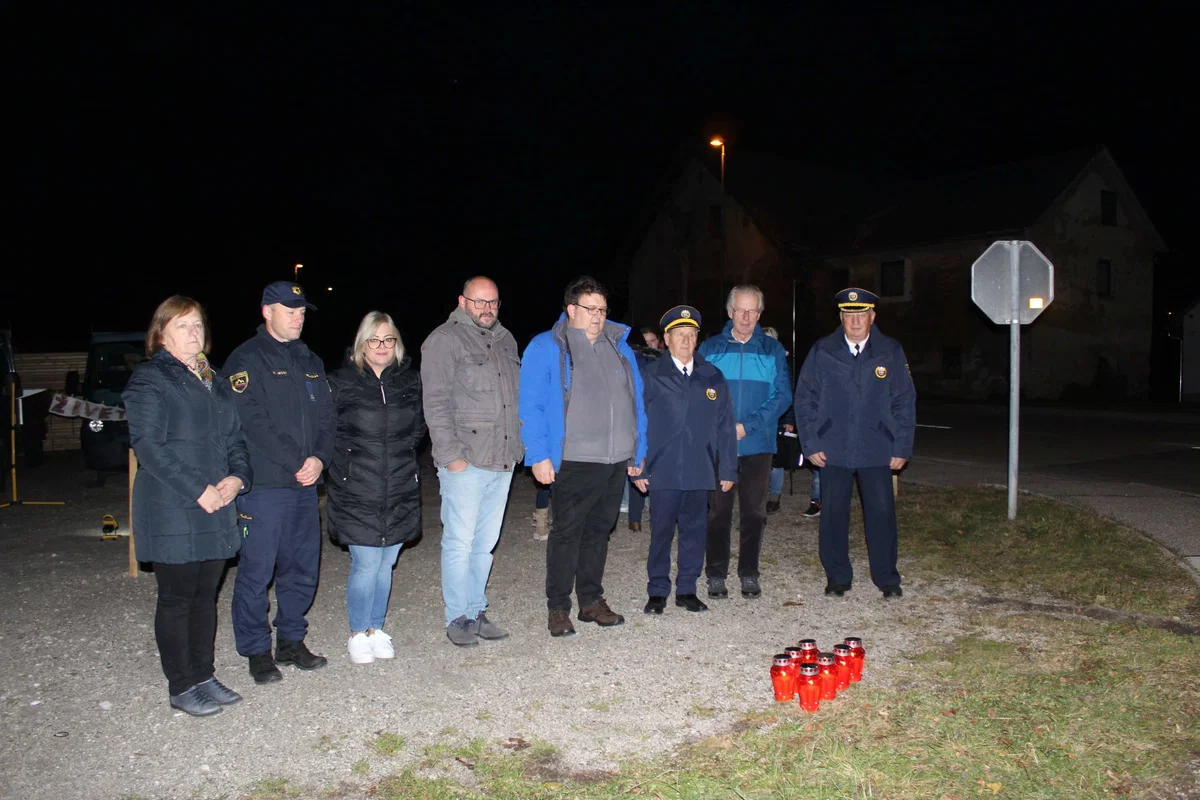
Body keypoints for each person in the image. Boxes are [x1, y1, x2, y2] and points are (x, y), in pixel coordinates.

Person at [124, 296, 251, 716]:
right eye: (181, 325)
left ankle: (203, 675)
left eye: (197, 324)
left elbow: (235, 438)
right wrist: (199, 489)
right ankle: (181, 686)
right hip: (174, 504)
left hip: (217, 503)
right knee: (177, 599)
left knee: (204, 596)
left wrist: (237, 477)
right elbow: (148, 446)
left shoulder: (214, 379)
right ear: (161, 334)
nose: (193, 332)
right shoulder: (151, 379)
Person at [519, 275, 648, 637]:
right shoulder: (547, 346)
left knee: (599, 531)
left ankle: (591, 600)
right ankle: (558, 607)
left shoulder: (619, 347)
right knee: (567, 533)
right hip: (574, 458)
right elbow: (530, 404)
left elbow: (636, 400)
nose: (598, 316)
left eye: (603, 309)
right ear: (571, 309)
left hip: (615, 458)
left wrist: (638, 450)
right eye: (590, 309)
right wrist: (538, 454)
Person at [225, 281, 336, 683]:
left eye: (302, 312)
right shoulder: (246, 359)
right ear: (266, 311)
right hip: (266, 485)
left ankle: (291, 641)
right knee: (257, 571)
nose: (298, 318)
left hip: (305, 484)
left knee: (301, 568)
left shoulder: (310, 360)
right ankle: (257, 650)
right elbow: (252, 422)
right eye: (290, 311)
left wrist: (320, 458)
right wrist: (297, 461)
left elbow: (327, 417)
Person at [794, 288, 916, 599]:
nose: (856, 321)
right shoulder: (823, 351)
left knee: (881, 514)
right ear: (841, 318)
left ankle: (886, 578)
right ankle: (837, 577)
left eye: (861, 314)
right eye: (849, 315)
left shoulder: (890, 350)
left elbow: (904, 401)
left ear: (873, 317)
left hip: (878, 447)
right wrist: (810, 442)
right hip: (832, 447)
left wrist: (902, 445)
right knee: (833, 514)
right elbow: (805, 399)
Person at [421, 276, 522, 647]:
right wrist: (451, 457)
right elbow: (435, 402)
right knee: (460, 542)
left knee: (485, 543)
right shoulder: (444, 340)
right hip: (466, 458)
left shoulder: (506, 340)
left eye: (493, 302)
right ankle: (457, 616)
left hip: (502, 458)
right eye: (479, 302)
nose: (487, 309)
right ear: (462, 302)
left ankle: (476, 610)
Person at [328, 312, 425, 664]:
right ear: (362, 344)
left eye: (388, 339)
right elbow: (327, 432)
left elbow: (418, 428)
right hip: (357, 488)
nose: (381, 346)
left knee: (386, 563)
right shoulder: (340, 382)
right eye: (374, 339)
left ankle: (375, 628)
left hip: (399, 484)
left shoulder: (410, 382)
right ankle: (357, 631)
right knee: (367, 563)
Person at [634, 305, 736, 615]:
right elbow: (636, 422)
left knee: (694, 532)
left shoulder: (712, 376)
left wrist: (728, 467)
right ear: (666, 339)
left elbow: (726, 426)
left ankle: (687, 589)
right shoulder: (651, 375)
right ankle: (657, 590)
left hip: (699, 468)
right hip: (662, 469)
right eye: (679, 334)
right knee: (661, 532)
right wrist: (637, 464)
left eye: (691, 334)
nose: (686, 340)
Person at [698, 285, 791, 599]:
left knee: (754, 513)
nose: (746, 317)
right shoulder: (710, 348)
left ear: (760, 314)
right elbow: (699, 393)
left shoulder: (772, 350)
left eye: (753, 311)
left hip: (757, 444)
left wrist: (747, 426)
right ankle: (716, 573)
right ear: (730, 312)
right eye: (741, 310)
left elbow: (782, 397)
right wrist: (723, 428)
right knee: (717, 513)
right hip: (719, 446)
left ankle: (749, 572)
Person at [761, 326, 796, 515]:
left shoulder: (782, 363)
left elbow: (789, 393)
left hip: (779, 418)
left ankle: (774, 496)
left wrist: (789, 419)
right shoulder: (756, 360)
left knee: (776, 461)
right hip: (760, 417)